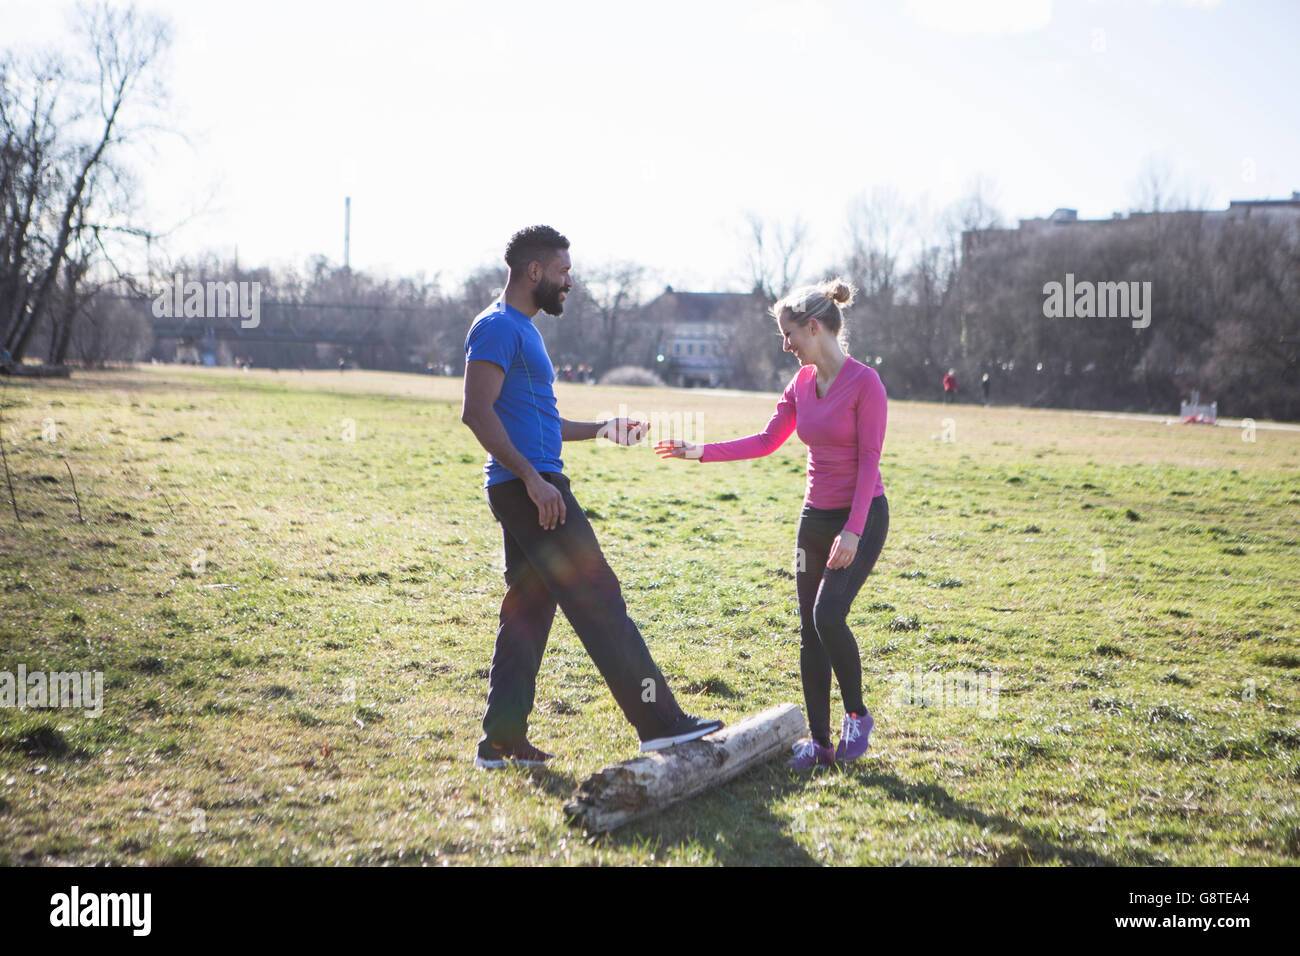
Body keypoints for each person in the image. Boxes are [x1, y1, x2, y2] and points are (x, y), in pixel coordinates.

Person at [462, 225, 722, 770]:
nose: (569, 283)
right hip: (530, 490)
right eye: (563, 271)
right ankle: (659, 723)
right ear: (533, 272)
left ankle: (501, 739)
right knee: (598, 596)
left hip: (530, 484)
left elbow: (540, 422)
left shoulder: (521, 330)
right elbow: (477, 413)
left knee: (528, 609)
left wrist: (602, 429)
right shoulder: (496, 328)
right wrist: (534, 481)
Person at [656, 278, 888, 770]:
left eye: (790, 336)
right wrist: (699, 451)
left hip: (861, 515)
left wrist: (853, 530)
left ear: (814, 327)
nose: (786, 346)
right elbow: (765, 440)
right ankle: (822, 745)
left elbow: (869, 462)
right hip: (815, 517)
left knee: (829, 616)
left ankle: (857, 716)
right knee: (809, 630)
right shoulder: (801, 384)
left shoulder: (865, 383)